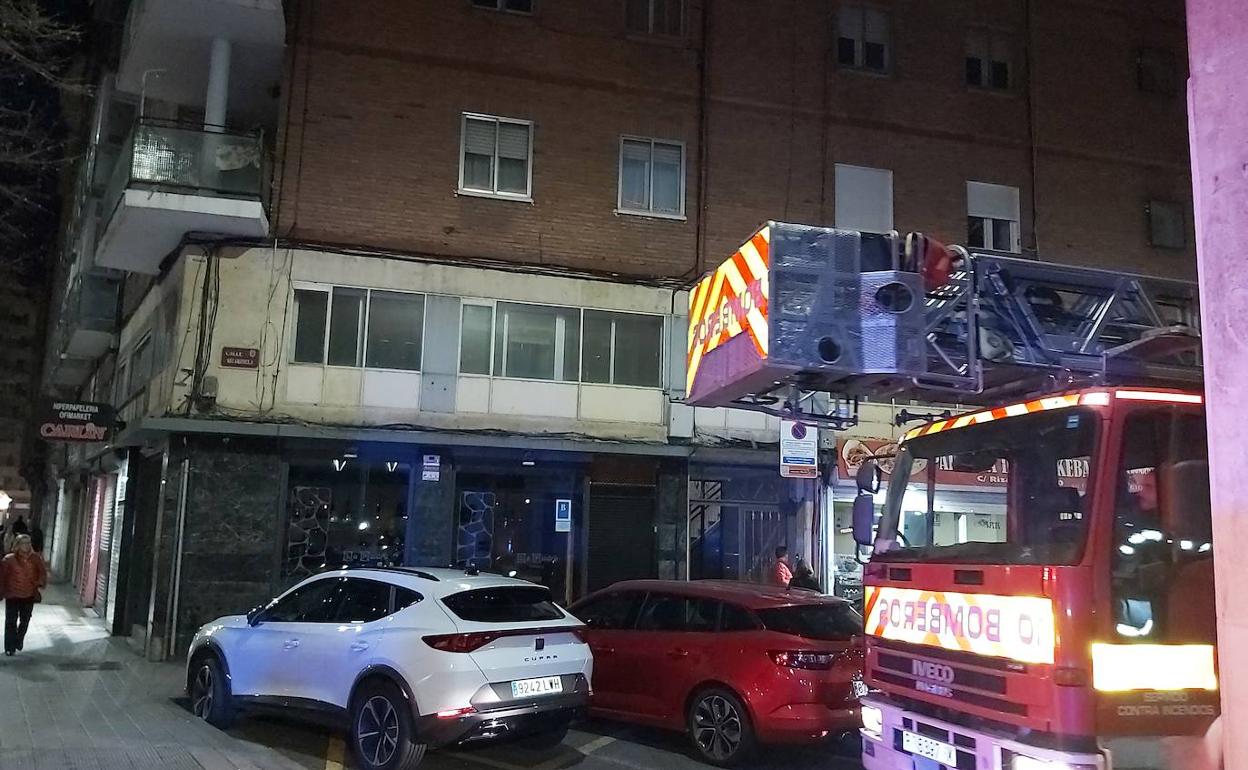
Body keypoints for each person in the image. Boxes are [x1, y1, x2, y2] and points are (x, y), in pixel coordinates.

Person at [2, 534, 46, 656]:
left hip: (28, 594)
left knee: (25, 619)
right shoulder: (9, 559)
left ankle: (19, 638)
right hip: (12, 594)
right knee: (11, 621)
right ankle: (9, 647)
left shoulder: (35, 558)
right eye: (23, 543)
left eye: (28, 543)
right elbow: (3, 577)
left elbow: (42, 573)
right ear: (17, 545)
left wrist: (39, 583)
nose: (26, 546)